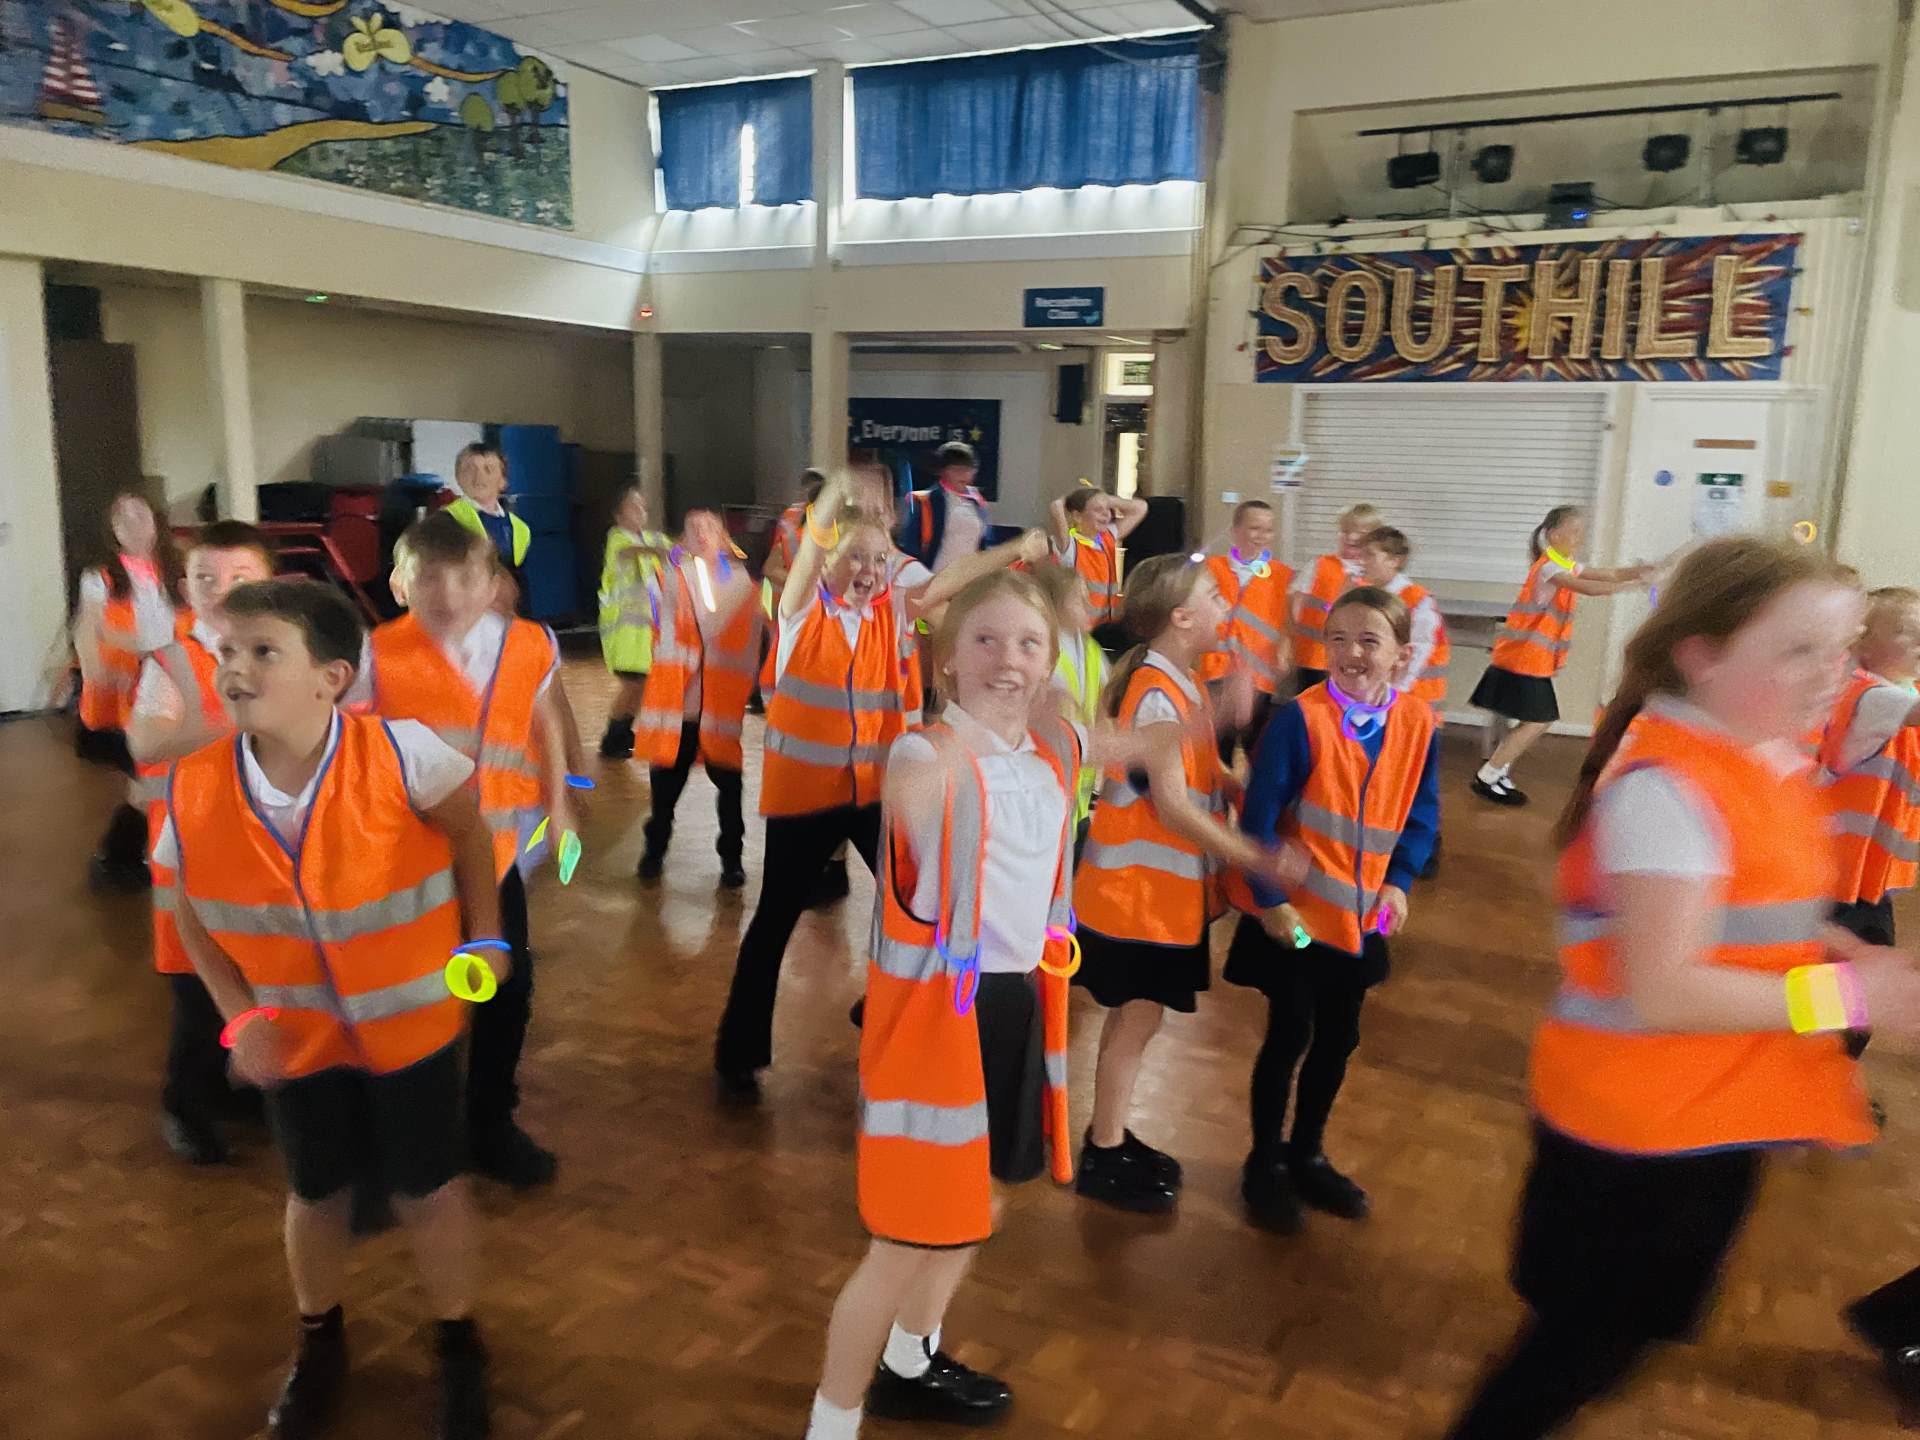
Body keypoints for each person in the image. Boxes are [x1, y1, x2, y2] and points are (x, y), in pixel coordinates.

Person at [1444, 536, 1920, 1440]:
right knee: (1577, 1353)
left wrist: (1840, 951)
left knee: (1605, 1344)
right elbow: (1664, 987)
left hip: (1702, 1113)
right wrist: (1855, 1002)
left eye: (1842, 648)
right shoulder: (1670, 790)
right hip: (1635, 1131)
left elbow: (1751, 913)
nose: (1833, 674)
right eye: (1800, 650)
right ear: (1702, 654)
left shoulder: (1764, 759)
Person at [803, 569, 1181, 1440]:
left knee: (984, 1201)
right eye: (985, 641)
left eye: (1027, 644)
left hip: (1015, 1008)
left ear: (1051, 662)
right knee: (902, 1241)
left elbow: (1122, 740)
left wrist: (1201, 716)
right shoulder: (926, 754)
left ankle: (911, 1360)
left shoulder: (1050, 751)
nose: (1007, 659)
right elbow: (911, 797)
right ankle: (831, 1422)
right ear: (946, 660)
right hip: (935, 1024)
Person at [160, 578, 504, 1440]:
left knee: (429, 1190)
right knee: (315, 1191)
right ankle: (319, 1339)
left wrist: (488, 938)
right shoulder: (195, 786)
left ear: (332, 677)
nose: (235, 669)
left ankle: (458, 1341)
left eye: (263, 652)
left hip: (413, 1027)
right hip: (296, 1040)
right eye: (226, 652)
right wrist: (240, 1019)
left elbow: (470, 832)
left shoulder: (401, 754)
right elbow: (189, 912)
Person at [712, 472, 1047, 1101]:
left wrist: (1016, 549)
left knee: (921, 905)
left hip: (877, 795)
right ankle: (739, 1051)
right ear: (827, 559)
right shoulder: (801, 611)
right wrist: (837, 492)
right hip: (805, 800)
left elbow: (953, 578)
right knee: (774, 921)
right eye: (855, 558)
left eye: (877, 559)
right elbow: (813, 546)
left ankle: (895, 1011)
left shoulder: (893, 610)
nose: (868, 571)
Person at [1071, 554, 1301, 1213]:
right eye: (1214, 597)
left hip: (1155, 899)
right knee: (1137, 1020)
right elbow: (1172, 807)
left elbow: (1187, 769)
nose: (1225, 607)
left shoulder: (1180, 682)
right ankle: (1104, 1152)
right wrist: (1257, 857)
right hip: (1136, 900)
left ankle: (1110, 1135)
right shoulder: (1155, 692)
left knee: (1138, 1020)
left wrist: (1233, 775)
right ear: (1181, 617)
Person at [362, 512, 575, 1187]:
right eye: (429, 577)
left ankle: (490, 1122)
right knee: (411, 993)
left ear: (492, 585)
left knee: (505, 988)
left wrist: (561, 803)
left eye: (464, 578)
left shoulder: (530, 645)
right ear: (400, 585)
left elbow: (541, 721)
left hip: (496, 854)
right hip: (407, 859)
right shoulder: (375, 655)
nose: (448, 593)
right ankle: (403, 1125)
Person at [1223, 586, 1440, 1233]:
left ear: (1401, 656)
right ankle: (1264, 1162)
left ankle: (1307, 1154)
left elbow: (1421, 814)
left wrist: (1398, 882)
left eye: (1369, 641)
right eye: (1338, 638)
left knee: (1338, 1039)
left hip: (1359, 923)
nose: (1350, 652)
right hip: (1295, 922)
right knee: (1289, 1033)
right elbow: (1257, 820)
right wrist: (1271, 902)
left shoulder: (1417, 724)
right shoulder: (1301, 719)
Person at [127, 520, 276, 1166]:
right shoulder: (173, 660)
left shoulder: (284, 650)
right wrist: (242, 723)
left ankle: (229, 1088)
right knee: (197, 991)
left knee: (255, 977)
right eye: (206, 578)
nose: (222, 590)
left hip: (265, 854)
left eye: (240, 576)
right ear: (185, 587)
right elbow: (145, 741)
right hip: (190, 854)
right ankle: (184, 1103)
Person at [1471, 505, 1651, 807]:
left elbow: (1607, 574)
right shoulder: (1549, 569)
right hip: (1523, 660)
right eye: (1575, 531)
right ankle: (1489, 775)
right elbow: (1588, 588)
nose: (1580, 537)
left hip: (1532, 661)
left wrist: (1640, 571)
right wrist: (1636, 585)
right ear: (1555, 534)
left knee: (1536, 720)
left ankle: (1496, 771)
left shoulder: (1563, 564)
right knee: (1538, 721)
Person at [634, 508, 762, 888]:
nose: (703, 533)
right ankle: (654, 850)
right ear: (683, 540)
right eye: (693, 529)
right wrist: (673, 564)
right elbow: (656, 609)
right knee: (663, 798)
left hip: (719, 712)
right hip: (680, 713)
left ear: (724, 537)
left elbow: (748, 635)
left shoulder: (740, 584)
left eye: (710, 527)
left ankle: (732, 860)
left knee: (730, 791)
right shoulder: (670, 580)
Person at [77, 492, 185, 888]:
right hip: (125, 704)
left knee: (153, 784)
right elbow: (91, 632)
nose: (135, 525)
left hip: (174, 691)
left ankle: (123, 858)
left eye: (142, 515)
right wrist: (115, 659)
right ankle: (119, 859)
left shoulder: (177, 571)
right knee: (148, 785)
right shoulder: (99, 579)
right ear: (113, 531)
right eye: (124, 519)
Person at [1818, 587, 1920, 948]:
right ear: (1862, 645)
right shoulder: (1870, 696)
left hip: (1867, 879)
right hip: (1836, 877)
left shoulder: (1904, 692)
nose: (1919, 641)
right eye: (1905, 631)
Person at [1197, 499, 1294, 765]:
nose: (1261, 536)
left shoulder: (1283, 576)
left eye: (1268, 530)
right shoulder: (1211, 569)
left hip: (1258, 679)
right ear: (1235, 531)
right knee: (1216, 752)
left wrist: (1285, 651)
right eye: (1254, 528)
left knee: (1258, 753)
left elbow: (1288, 623)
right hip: (1216, 672)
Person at [1030, 562, 1108, 848]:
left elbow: (1103, 711)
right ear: (1054, 604)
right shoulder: (1039, 651)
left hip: (1079, 795)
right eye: (1078, 598)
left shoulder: (1091, 650)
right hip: (1046, 788)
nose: (1089, 605)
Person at [595, 483, 674, 759]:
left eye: (642, 506)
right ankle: (612, 737)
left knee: (642, 686)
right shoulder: (617, 538)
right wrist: (657, 551)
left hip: (645, 634)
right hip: (622, 634)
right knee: (632, 685)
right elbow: (631, 552)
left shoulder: (654, 539)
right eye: (633, 505)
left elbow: (675, 553)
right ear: (618, 514)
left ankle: (624, 732)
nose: (641, 510)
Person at [1359, 526, 1450, 722]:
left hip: (1414, 700)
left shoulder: (1416, 600)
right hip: (1385, 698)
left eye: (1370, 555)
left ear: (1395, 560)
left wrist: (1394, 694)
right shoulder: (1371, 596)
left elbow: (1419, 652)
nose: (1362, 561)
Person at [1290, 503, 1378, 693]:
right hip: (1311, 660)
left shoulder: (1375, 576)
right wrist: (1286, 643)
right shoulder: (1319, 565)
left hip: (1354, 663)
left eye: (1360, 532)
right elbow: (1294, 607)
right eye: (1346, 531)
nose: (1351, 537)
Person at [1049, 487, 1149, 652]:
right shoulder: (1070, 545)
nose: (1105, 514)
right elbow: (1056, 507)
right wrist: (1070, 498)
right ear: (1077, 516)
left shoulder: (1107, 538)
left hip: (1106, 627)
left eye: (1107, 509)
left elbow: (1141, 507)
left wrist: (1107, 499)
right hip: (1081, 629)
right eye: (1097, 510)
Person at [444, 442, 530, 598]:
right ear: (458, 477)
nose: (479, 476)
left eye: (488, 470)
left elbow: (520, 581)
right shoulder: (446, 520)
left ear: (503, 481)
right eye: (470, 469)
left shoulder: (520, 529)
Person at [895, 441, 990, 574]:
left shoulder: (977, 500)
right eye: (956, 469)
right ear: (943, 471)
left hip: (969, 578)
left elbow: (983, 544)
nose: (963, 474)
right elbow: (911, 545)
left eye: (967, 469)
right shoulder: (928, 501)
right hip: (936, 576)